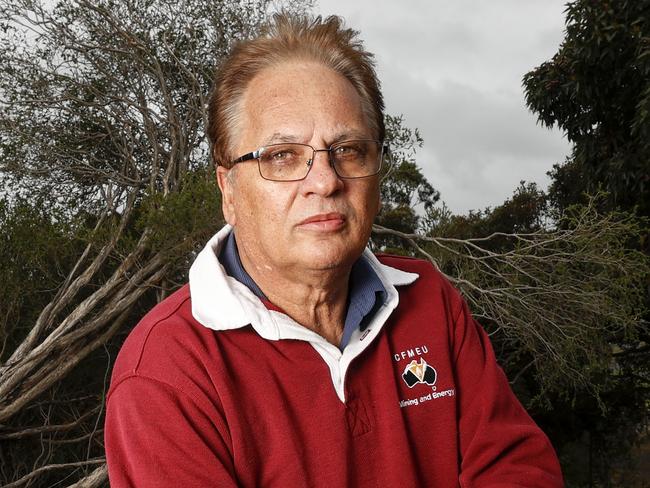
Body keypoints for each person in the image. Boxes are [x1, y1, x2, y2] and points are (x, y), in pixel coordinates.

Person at [105, 12, 564, 487]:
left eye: (347, 150)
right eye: (282, 156)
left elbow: (518, 469)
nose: (325, 182)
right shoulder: (166, 374)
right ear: (229, 190)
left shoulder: (431, 301)